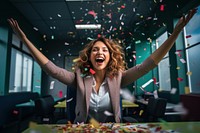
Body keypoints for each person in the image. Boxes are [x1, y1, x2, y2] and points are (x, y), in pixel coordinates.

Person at [7, 9, 196, 123]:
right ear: (89, 57)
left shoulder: (118, 78)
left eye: (105, 50)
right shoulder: (78, 79)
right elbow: (52, 70)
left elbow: (147, 65)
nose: (100, 53)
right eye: (95, 50)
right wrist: (24, 39)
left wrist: (176, 32)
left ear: (110, 56)